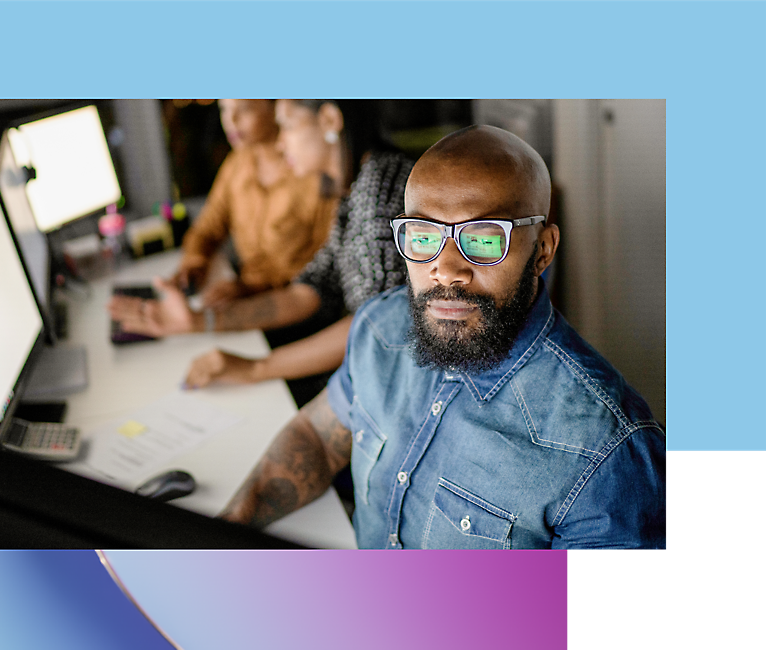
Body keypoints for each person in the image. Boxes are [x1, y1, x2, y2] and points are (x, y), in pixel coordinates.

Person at [218, 125, 667, 549]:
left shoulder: (607, 449)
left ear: (542, 250)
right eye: (422, 235)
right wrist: (224, 533)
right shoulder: (380, 328)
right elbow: (317, 438)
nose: (446, 268)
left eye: (486, 239)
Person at [108, 100, 414, 396]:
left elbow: (375, 326)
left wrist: (256, 368)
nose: (281, 144)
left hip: (388, 380)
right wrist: (199, 320)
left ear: (331, 121)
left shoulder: (380, 190)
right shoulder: (351, 186)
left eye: (288, 126)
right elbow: (311, 289)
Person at [172, 99, 338, 307]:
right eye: (225, 109)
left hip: (294, 306)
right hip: (243, 299)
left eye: (245, 110)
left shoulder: (312, 170)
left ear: (276, 108)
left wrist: (253, 288)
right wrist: (195, 262)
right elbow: (207, 228)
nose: (230, 120)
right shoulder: (237, 165)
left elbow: (325, 269)